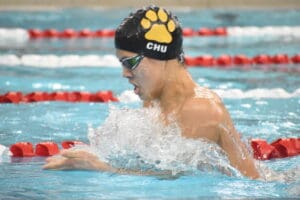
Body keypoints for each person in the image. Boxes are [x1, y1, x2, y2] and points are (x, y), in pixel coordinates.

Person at [44, 5, 260, 179]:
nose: (125, 73)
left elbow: (174, 178)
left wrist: (101, 167)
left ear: (160, 57)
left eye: (130, 63)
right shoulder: (157, 100)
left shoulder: (201, 109)